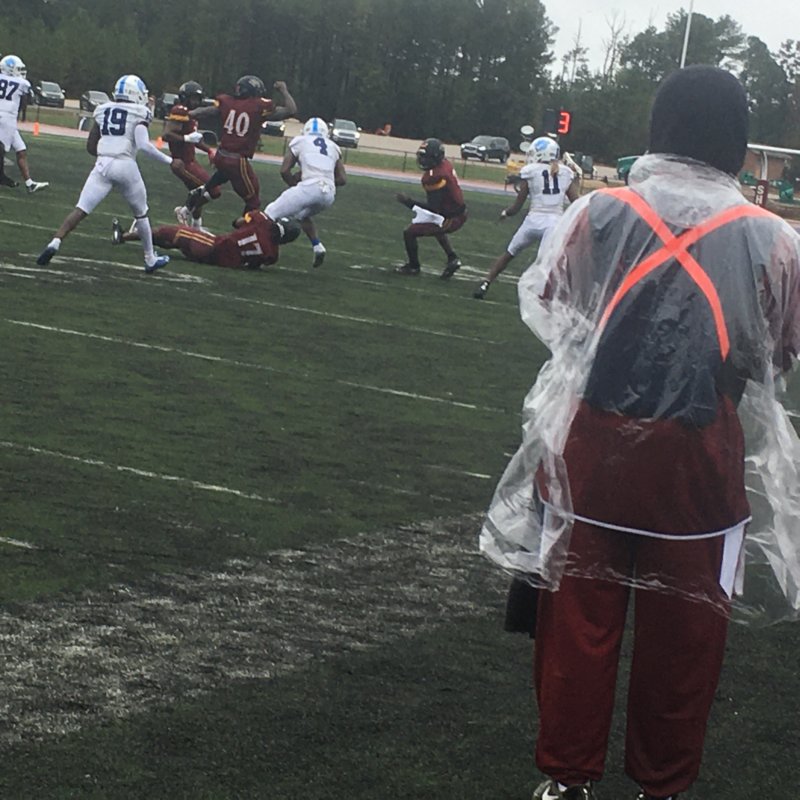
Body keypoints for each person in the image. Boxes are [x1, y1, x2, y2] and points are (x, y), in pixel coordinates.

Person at [479, 65, 800, 800]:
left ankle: (568, 780)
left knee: (577, 623)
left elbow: (557, 313)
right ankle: (664, 783)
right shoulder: (775, 239)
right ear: (737, 139)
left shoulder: (596, 212)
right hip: (700, 458)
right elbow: (777, 354)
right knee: (686, 635)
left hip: (592, 445)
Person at [36, 74, 176, 271]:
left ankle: (55, 242)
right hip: (125, 164)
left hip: (102, 164)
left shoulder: (103, 109)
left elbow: (90, 146)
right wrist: (170, 161)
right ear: (135, 94)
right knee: (141, 214)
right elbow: (144, 145)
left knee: (80, 209)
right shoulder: (140, 112)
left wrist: (106, 154)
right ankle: (150, 258)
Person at [473, 137, 579, 300]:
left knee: (509, 253)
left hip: (532, 221)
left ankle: (486, 282)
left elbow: (517, 205)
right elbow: (576, 202)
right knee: (546, 263)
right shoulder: (565, 173)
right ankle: (547, 296)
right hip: (554, 223)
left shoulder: (531, 171)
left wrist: (506, 213)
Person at [185, 75, 296, 215]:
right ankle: (245, 227)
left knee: (224, 174)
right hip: (237, 159)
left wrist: (187, 113)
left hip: (221, 155)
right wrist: (284, 90)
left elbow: (203, 112)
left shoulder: (228, 103)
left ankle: (201, 192)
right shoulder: (258, 107)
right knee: (253, 200)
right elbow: (291, 110)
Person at [264, 116, 346, 268]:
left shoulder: (300, 141)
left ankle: (262, 251)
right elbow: (342, 179)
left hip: (310, 187)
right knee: (301, 215)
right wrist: (322, 180)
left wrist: (294, 184)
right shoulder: (333, 146)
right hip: (329, 193)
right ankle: (317, 246)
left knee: (269, 213)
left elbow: (284, 171)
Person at [110, 210, 300, 270]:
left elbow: (237, 222)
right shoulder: (273, 255)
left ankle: (123, 236)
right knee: (174, 240)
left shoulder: (262, 219)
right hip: (222, 261)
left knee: (170, 232)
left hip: (214, 246)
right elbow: (253, 265)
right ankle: (129, 237)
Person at [394, 138, 467, 278]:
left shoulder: (435, 176)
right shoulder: (444, 165)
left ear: (435, 157)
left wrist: (408, 202)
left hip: (452, 217)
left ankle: (414, 266)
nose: (422, 160)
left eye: (426, 157)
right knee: (435, 225)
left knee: (409, 232)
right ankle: (452, 258)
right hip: (455, 211)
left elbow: (433, 209)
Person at [162, 80, 221, 229]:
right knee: (214, 190)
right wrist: (186, 138)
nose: (196, 102)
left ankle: (196, 226)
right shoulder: (180, 110)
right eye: (193, 98)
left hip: (190, 161)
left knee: (197, 192)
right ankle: (184, 211)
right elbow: (167, 135)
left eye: (197, 98)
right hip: (183, 163)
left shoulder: (191, 114)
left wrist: (209, 150)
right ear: (184, 97)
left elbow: (194, 139)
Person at [0, 54, 48, 192]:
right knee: (1, 150)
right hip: (7, 118)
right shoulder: (23, 83)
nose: (21, 72)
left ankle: (29, 184)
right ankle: (1, 177)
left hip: (8, 118)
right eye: (18, 69)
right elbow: (29, 99)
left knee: (21, 150)